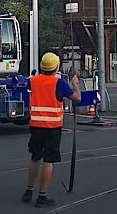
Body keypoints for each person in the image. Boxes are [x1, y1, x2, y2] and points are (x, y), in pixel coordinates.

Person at [21, 52, 80, 207]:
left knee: (35, 157)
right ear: (56, 67)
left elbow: (27, 84)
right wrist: (75, 83)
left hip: (36, 126)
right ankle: (42, 196)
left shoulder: (33, 81)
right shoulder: (59, 83)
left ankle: (29, 190)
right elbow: (77, 98)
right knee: (49, 160)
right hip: (52, 127)